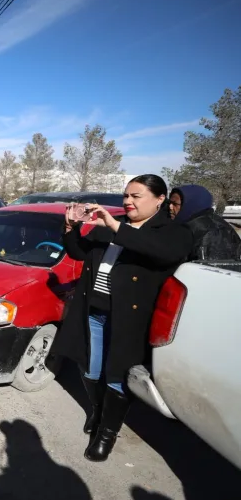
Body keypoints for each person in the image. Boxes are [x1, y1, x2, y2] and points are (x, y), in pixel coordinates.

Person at [53, 174, 193, 462]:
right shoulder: (112, 225)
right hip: (93, 311)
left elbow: (160, 252)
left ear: (159, 200)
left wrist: (116, 226)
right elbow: (78, 252)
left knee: (117, 378)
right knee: (90, 370)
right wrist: (70, 226)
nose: (127, 201)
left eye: (136, 196)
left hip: (130, 321)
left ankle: (106, 433)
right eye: (125, 196)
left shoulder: (172, 232)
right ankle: (98, 411)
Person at [169, 185, 241, 260]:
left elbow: (211, 268)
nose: (170, 207)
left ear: (192, 204)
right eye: (169, 203)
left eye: (174, 204)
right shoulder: (187, 224)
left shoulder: (213, 232)